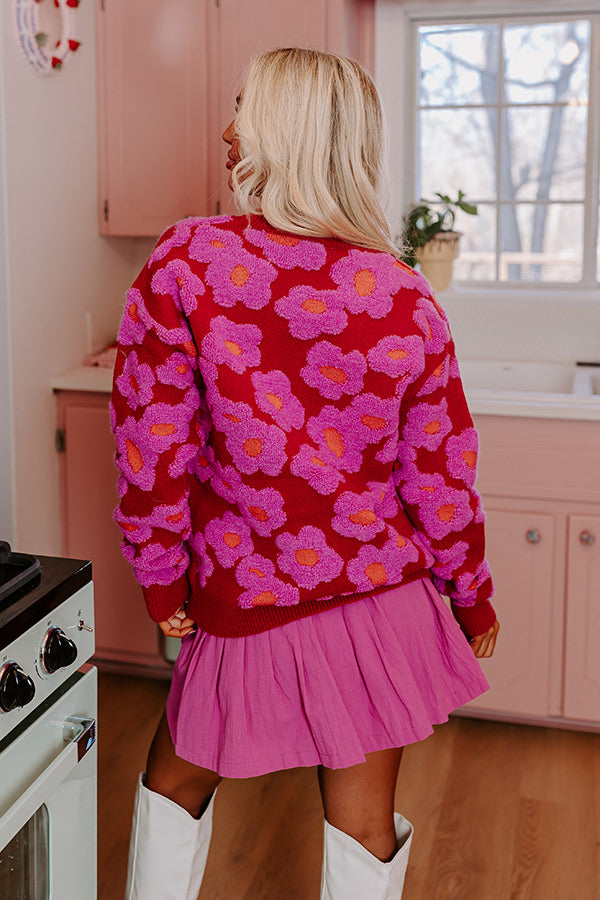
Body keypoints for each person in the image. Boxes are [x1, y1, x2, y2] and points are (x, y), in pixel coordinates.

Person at [111, 47, 499, 900]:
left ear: (284, 134)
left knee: (176, 780)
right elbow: (441, 473)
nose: (226, 129)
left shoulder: (186, 264)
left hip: (248, 596)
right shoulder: (403, 294)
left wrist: (159, 575)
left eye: (244, 109)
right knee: (362, 819)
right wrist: (469, 591)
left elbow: (152, 445)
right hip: (376, 596)